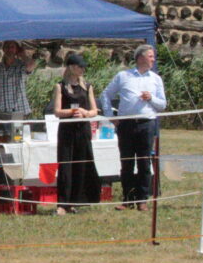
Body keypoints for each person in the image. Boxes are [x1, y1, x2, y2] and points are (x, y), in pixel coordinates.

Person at [100, 44, 167, 211]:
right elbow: (105, 95)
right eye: (150, 56)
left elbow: (163, 105)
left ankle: (142, 199)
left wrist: (151, 98)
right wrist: (111, 117)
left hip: (147, 124)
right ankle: (127, 198)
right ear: (140, 58)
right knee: (127, 163)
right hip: (126, 125)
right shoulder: (123, 76)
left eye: (153, 56)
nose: (153, 59)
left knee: (144, 163)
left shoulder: (155, 79)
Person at [52, 53, 100, 215]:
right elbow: (57, 111)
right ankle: (62, 203)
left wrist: (85, 113)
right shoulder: (60, 86)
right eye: (80, 66)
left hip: (83, 130)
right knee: (65, 166)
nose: (82, 69)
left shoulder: (88, 86)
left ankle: (76, 201)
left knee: (81, 164)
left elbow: (94, 110)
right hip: (66, 130)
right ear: (71, 67)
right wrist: (72, 111)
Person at [0, 40, 36, 139]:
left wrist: (22, 54)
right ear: (3, 49)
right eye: (7, 47)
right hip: (0, 112)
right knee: (0, 143)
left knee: (17, 140)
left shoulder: (21, 66)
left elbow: (31, 66)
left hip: (18, 112)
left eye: (12, 47)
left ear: (16, 49)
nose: (9, 50)